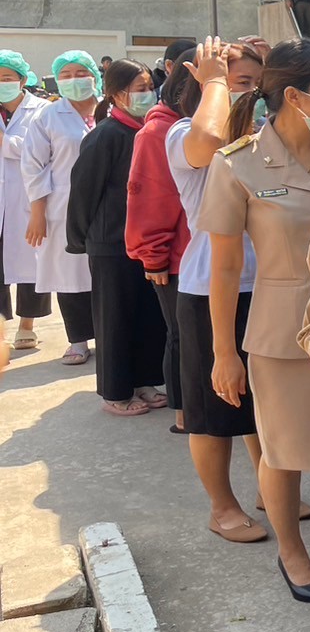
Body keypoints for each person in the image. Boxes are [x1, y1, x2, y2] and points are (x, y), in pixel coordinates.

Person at [199, 39, 310, 604]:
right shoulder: (238, 162)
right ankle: (291, 552)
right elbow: (223, 271)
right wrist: (224, 352)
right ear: (295, 97)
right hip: (281, 331)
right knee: (282, 449)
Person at [168, 37, 269, 542]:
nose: (251, 94)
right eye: (239, 85)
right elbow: (209, 138)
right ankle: (221, 505)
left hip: (268, 283)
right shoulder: (186, 135)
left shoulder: (266, 136)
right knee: (214, 407)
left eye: (257, 83)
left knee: (262, 400)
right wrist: (214, 81)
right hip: (209, 288)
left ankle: (268, 487)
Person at [65, 58, 169, 416]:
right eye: (138, 89)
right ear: (115, 94)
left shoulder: (148, 132)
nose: (146, 94)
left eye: (147, 87)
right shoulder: (106, 135)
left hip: (144, 242)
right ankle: (115, 391)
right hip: (110, 243)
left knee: (146, 315)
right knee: (114, 319)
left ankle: (144, 381)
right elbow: (83, 192)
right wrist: (79, 238)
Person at [127, 55, 193, 432]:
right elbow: (148, 198)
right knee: (182, 335)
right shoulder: (158, 133)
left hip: (207, 253)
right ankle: (184, 412)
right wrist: (153, 256)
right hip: (176, 259)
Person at [22, 51, 100, 362]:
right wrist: (38, 212)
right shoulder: (48, 117)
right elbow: (33, 166)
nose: (73, 79)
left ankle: (108, 335)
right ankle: (78, 340)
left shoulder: (111, 108)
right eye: (65, 75)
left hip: (109, 204)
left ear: (95, 75)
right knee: (69, 271)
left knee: (105, 271)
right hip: (62, 205)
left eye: (80, 72)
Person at [1, 51, 53, 352]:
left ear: (22, 80)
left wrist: (5, 143)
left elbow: (42, 153)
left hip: (29, 197)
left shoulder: (42, 110)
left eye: (7, 79)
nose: (2, 84)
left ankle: (27, 324)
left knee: (32, 263)